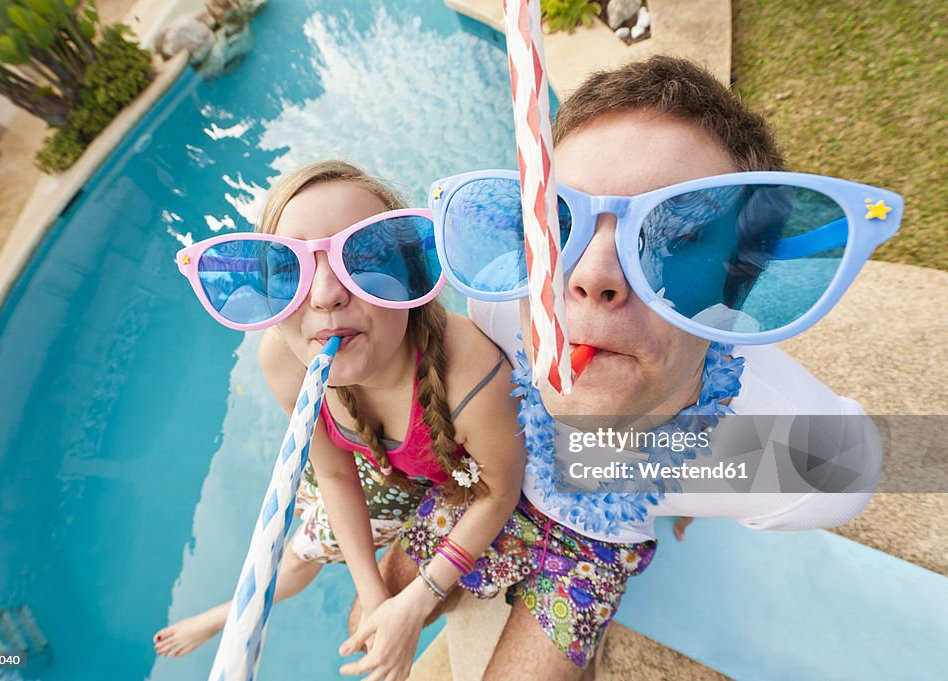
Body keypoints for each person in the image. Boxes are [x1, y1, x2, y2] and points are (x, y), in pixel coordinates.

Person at [342, 56, 889, 681]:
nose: (592, 275)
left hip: (597, 546)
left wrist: (701, 487)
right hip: (496, 485)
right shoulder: (499, 300)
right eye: (561, 221)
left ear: (737, 282)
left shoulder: (810, 461)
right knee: (368, 613)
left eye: (674, 236)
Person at [155, 161, 525, 667]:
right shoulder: (283, 358)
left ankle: (227, 614)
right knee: (309, 546)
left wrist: (416, 601)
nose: (327, 295)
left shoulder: (473, 377)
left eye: (365, 257)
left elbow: (500, 491)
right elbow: (332, 471)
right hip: (353, 468)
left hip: (440, 483)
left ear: (414, 273)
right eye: (289, 270)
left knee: (316, 561)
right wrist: (374, 594)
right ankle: (229, 613)